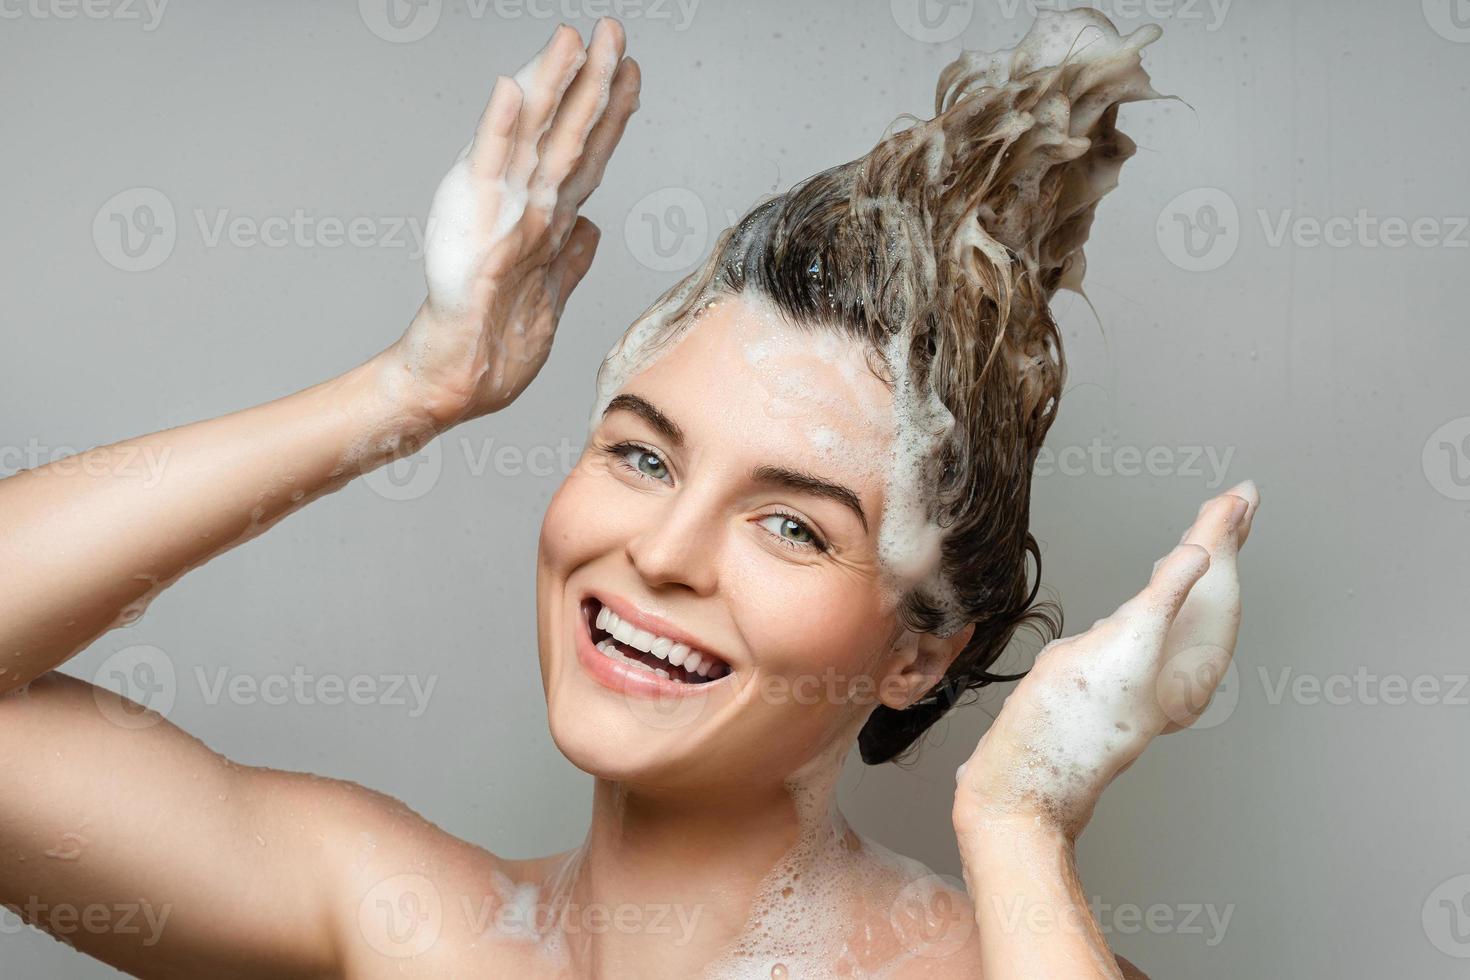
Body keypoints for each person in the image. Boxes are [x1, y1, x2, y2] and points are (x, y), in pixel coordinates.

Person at [0, 10, 1257, 978]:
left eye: (791, 524)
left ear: (921, 654)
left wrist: (1021, 819)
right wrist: (409, 387)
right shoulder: (405, 926)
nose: (662, 551)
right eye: (644, 456)